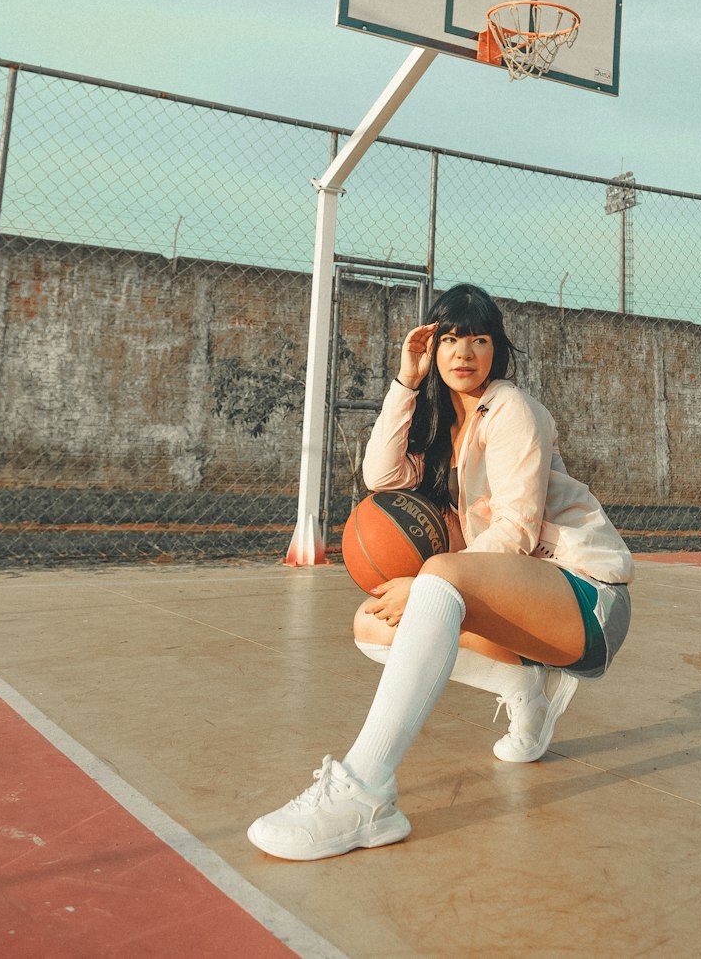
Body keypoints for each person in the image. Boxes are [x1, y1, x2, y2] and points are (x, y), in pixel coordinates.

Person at [247, 283, 633, 862]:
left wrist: (432, 578)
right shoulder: (441, 429)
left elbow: (518, 533)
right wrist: (406, 381)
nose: (463, 353)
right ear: (433, 346)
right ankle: (521, 687)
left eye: (479, 340)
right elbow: (380, 478)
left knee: (436, 577)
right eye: (450, 338)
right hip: (517, 603)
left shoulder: (511, 409)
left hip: (586, 598)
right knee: (373, 625)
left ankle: (365, 791)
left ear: (496, 351)